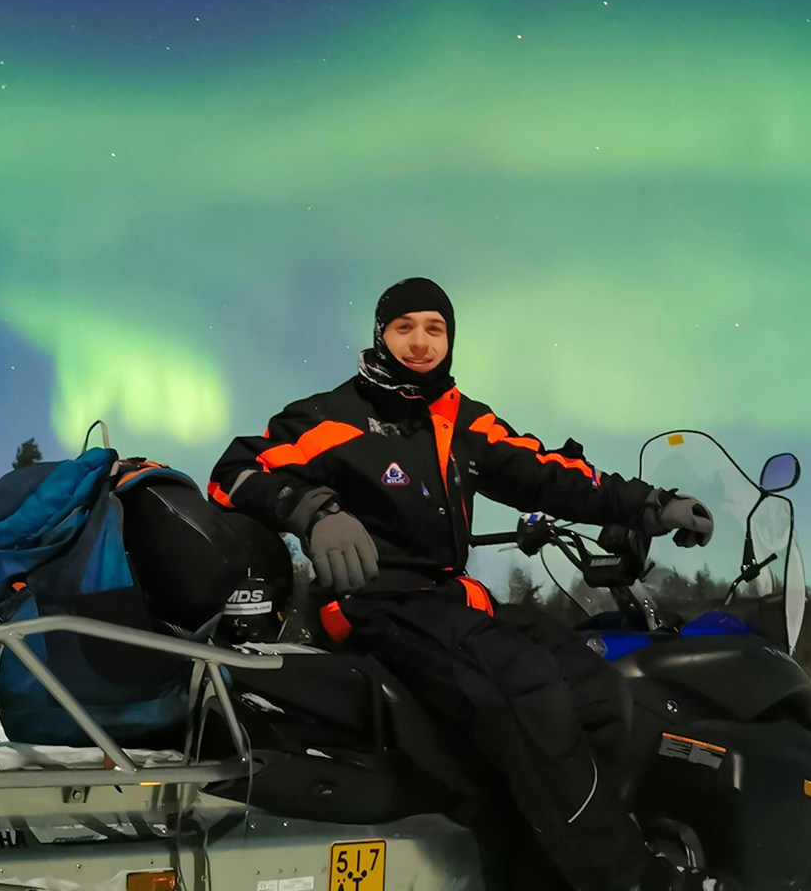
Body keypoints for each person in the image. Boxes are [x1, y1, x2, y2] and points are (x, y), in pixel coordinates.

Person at [210, 277, 723, 891]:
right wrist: (313, 510)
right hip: (373, 601)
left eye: (435, 329)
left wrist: (650, 505)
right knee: (525, 687)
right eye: (405, 329)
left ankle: (545, 870)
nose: (421, 343)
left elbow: (550, 474)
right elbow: (235, 471)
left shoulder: (462, 420)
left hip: (451, 601)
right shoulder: (331, 416)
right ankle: (626, 879)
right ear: (380, 335)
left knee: (599, 692)